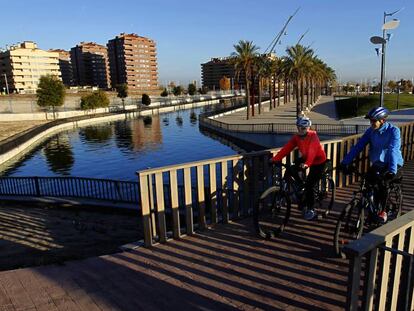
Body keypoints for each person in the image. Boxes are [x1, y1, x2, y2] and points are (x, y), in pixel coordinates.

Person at [340, 106, 404, 223]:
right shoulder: (370, 131)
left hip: (393, 163)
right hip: (378, 163)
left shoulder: (394, 131)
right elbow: (358, 147)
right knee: (368, 185)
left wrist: (392, 170)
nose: (371, 123)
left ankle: (382, 212)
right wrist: (344, 163)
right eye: (370, 121)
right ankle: (372, 210)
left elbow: (393, 150)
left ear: (382, 120)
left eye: (374, 121)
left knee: (383, 184)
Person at [270, 116, 327, 220]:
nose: (300, 130)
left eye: (303, 128)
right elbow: (287, 148)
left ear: (308, 128)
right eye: (298, 127)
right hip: (306, 159)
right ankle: (300, 188)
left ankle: (311, 210)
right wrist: (275, 159)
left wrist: (307, 164)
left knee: (310, 185)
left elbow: (312, 151)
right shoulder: (297, 137)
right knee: (290, 168)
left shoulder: (313, 136)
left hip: (318, 161)